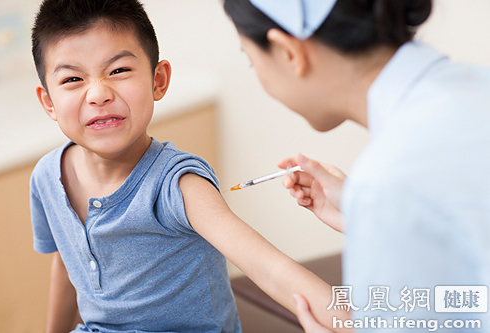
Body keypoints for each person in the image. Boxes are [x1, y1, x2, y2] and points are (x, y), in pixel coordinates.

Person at [29, 0, 351, 332]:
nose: (98, 93)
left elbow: (270, 269)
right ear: (48, 102)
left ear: (159, 80)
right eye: (72, 79)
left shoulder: (179, 185)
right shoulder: (47, 178)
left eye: (119, 71)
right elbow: (68, 263)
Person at [223, 0, 490, 331]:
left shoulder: (388, 180)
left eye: (252, 61)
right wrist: (364, 215)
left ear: (289, 52)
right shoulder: (477, 85)